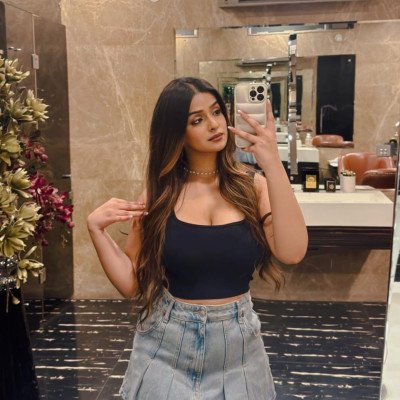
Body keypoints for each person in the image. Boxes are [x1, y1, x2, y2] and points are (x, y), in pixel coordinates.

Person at [87, 77, 308, 399]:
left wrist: (273, 164)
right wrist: (96, 231)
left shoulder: (253, 186)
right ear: (177, 132)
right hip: (166, 346)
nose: (214, 125)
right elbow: (132, 283)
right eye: (197, 120)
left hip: (239, 352)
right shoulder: (159, 195)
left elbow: (292, 252)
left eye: (216, 112)